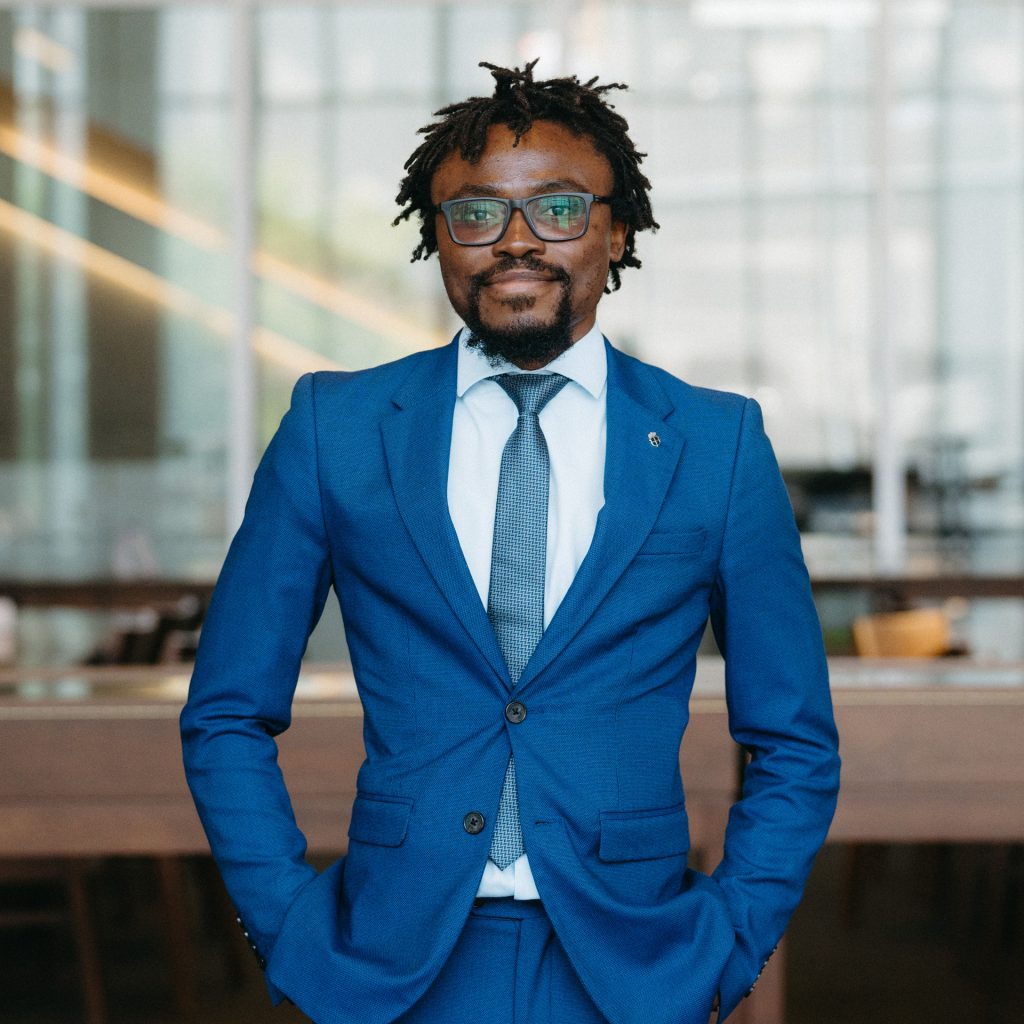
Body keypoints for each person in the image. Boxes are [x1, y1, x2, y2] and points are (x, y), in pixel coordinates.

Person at [180, 60, 840, 1024]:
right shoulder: (337, 428)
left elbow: (793, 738)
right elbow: (226, 712)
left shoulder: (717, 444)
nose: (518, 242)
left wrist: (732, 941)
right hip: (392, 964)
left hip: (633, 964)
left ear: (616, 231)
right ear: (436, 237)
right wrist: (287, 925)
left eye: (561, 210)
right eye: (477, 214)